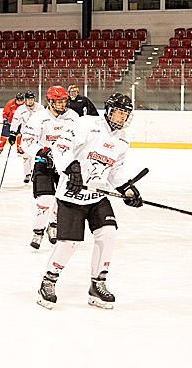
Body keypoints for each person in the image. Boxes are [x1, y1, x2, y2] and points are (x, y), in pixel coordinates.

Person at [36, 92, 142, 310]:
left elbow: (115, 169)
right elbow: (61, 147)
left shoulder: (122, 139)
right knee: (69, 243)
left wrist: (127, 188)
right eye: (118, 113)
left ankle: (97, 284)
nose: (121, 119)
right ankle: (48, 281)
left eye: (125, 115)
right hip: (72, 194)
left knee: (108, 233)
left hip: (97, 195)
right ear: (109, 111)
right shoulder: (87, 124)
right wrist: (70, 167)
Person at [19, 85, 78, 250]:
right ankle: (38, 231)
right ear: (50, 102)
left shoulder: (73, 117)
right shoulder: (39, 117)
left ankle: (53, 225)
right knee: (45, 198)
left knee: (61, 199)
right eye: (59, 101)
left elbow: (79, 140)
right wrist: (43, 151)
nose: (63, 104)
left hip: (64, 166)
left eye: (64, 101)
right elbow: (27, 142)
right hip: (44, 164)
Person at [9, 91, 42, 184]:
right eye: (28, 99)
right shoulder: (20, 109)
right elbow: (15, 121)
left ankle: (37, 173)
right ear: (25, 100)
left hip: (38, 135)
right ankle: (27, 174)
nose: (30, 101)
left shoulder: (40, 108)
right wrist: (12, 133)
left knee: (39, 155)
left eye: (32, 99)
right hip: (27, 136)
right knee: (26, 156)